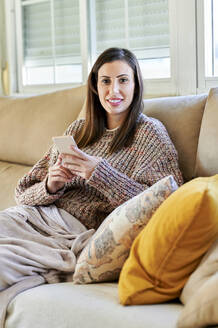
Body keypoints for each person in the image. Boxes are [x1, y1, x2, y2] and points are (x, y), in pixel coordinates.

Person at [0, 47, 183, 324]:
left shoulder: (150, 134)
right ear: (96, 87)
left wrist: (98, 173)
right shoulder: (78, 129)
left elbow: (165, 204)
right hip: (31, 216)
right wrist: (51, 184)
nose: (114, 90)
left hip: (70, 234)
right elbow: (23, 191)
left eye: (123, 80)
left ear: (136, 84)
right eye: (106, 81)